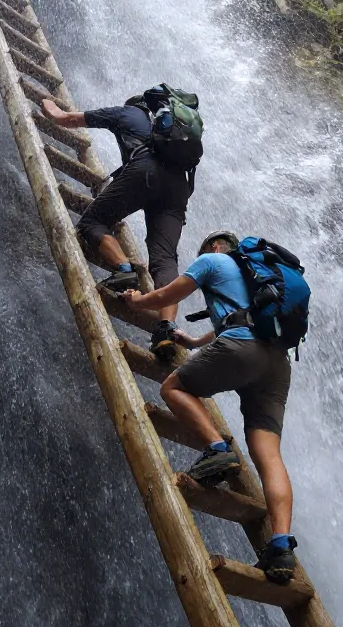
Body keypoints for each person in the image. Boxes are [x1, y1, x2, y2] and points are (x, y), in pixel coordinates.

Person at [121, 230, 298, 585]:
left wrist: (138, 301)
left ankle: (217, 449)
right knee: (269, 456)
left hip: (241, 349)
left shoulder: (213, 260)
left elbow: (169, 294)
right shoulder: (258, 279)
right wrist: (195, 340)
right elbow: (238, 319)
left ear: (215, 246)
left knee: (173, 388)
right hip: (277, 365)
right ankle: (280, 545)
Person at [41, 93, 191, 359]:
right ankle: (167, 327)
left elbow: (64, 118)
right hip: (178, 190)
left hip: (146, 173)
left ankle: (124, 270)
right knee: (165, 259)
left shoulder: (126, 114)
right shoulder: (172, 142)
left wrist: (46, 103)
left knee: (92, 222)